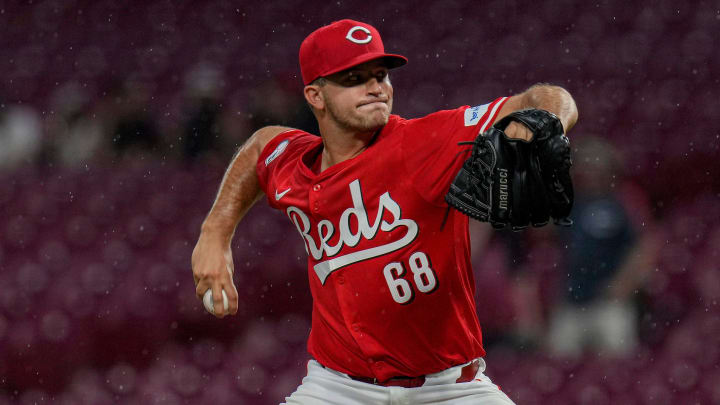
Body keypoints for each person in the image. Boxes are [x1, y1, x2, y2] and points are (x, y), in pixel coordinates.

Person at [192, 19, 577, 404]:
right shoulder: (294, 163)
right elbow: (261, 146)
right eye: (354, 78)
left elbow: (546, 97)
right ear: (315, 95)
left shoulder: (425, 142)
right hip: (337, 387)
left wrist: (545, 124)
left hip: (449, 388)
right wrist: (215, 234)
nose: (375, 87)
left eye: (380, 75)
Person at [545, 136, 660, 358]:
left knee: (616, 364)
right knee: (558, 362)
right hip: (572, 298)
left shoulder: (624, 200)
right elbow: (541, 232)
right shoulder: (570, 202)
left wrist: (624, 283)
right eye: (584, 165)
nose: (589, 172)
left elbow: (646, 244)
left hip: (610, 300)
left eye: (595, 165)